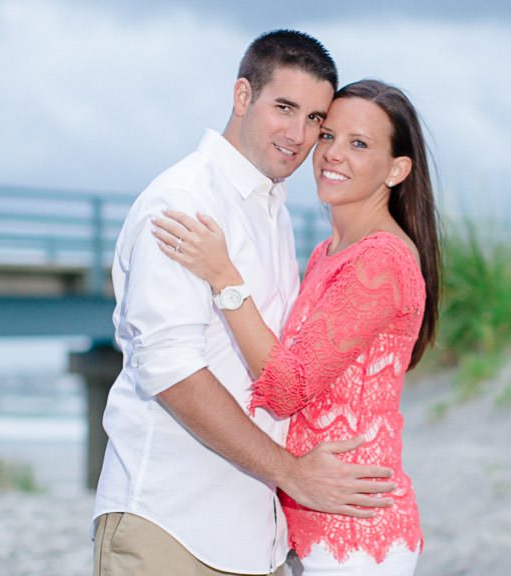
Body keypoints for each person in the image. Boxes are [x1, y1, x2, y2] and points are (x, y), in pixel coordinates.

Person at [92, 32, 397, 576]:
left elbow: (276, 369)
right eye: (284, 108)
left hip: (252, 538)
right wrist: (292, 473)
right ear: (241, 96)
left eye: (314, 119)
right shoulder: (185, 203)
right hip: (170, 526)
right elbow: (173, 372)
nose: (299, 135)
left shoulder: (269, 207)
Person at [152, 79, 441, 576]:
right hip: (307, 527)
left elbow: (286, 388)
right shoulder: (328, 253)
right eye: (327, 135)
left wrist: (224, 276)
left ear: (397, 169)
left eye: (359, 144)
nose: (332, 154)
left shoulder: (381, 261)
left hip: (353, 533)